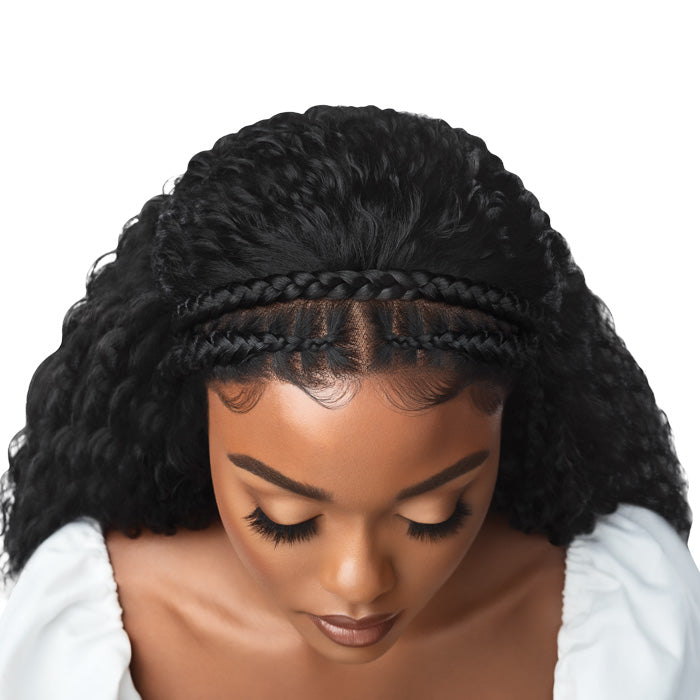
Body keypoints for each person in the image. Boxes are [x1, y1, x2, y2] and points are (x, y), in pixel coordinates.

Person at [0, 105, 698, 699]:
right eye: (283, 518)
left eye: (433, 514)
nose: (359, 583)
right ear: (194, 422)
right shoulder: (86, 633)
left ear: (513, 424)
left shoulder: (626, 619)